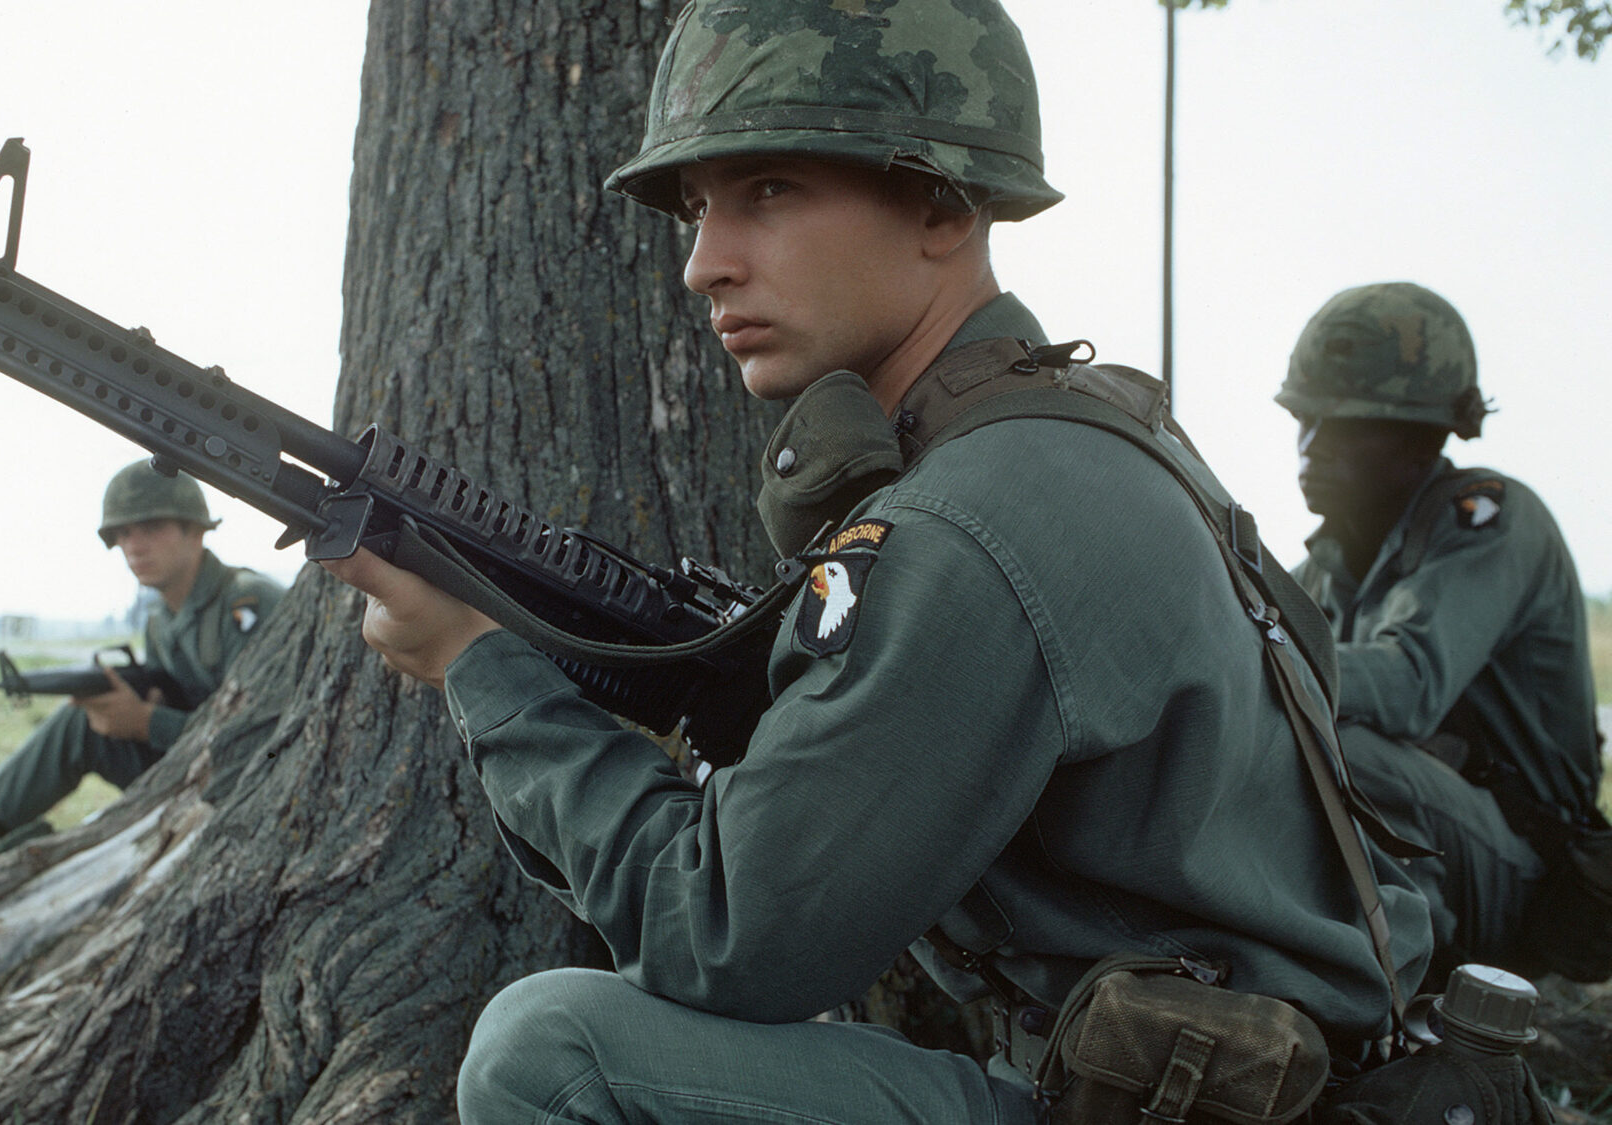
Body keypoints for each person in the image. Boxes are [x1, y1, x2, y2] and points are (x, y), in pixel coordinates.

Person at [325, 1, 1432, 1120]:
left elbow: (718, 936)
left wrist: (483, 667)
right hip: (1251, 1072)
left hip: (1216, 1099)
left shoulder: (968, 524)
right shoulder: (1083, 429)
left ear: (940, 204)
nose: (703, 264)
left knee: (549, 1054)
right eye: (699, 210)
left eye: (768, 191)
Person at [1280, 282, 1608, 984]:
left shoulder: (1487, 522)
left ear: (1420, 436)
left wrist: (1250, 654)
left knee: (1344, 750)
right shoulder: (1322, 567)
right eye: (1305, 419)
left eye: (1343, 427)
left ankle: (1412, 1003)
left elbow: (1407, 683)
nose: (1310, 447)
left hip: (1527, 870)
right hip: (1443, 845)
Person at [0, 460, 285, 887]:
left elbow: (262, 736)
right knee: (80, 721)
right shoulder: (160, 618)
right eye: (122, 534)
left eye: (150, 527)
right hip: (192, 768)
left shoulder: (246, 604)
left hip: (251, 785)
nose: (133, 546)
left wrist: (146, 722)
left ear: (196, 531)